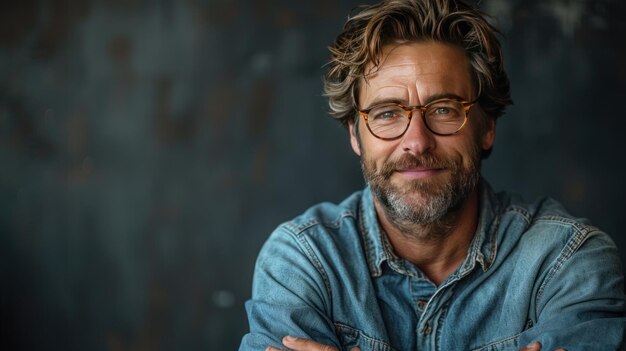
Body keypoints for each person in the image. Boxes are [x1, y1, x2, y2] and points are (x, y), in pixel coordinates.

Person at [239, 0, 626, 350]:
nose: (417, 142)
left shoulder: (568, 263)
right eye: (387, 113)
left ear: (486, 126)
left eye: (444, 109)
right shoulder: (304, 262)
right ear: (356, 135)